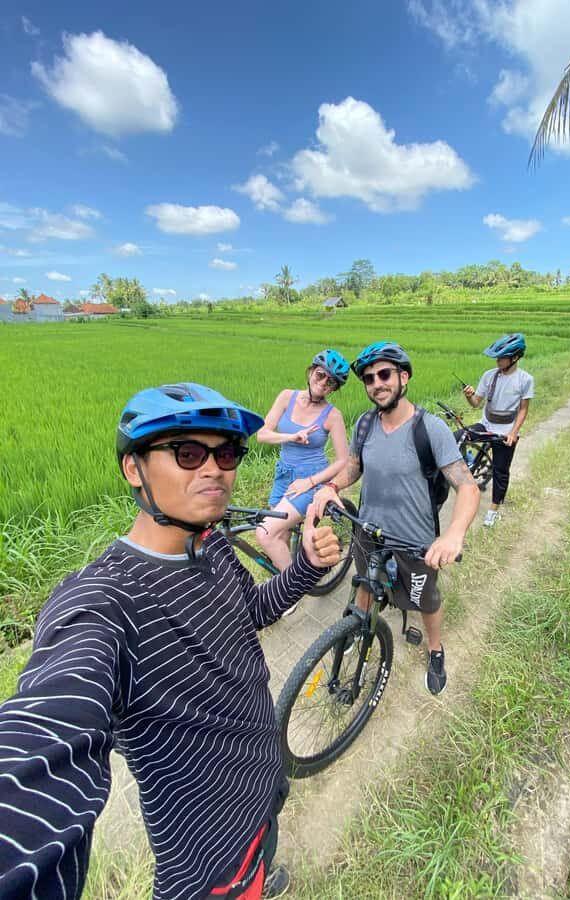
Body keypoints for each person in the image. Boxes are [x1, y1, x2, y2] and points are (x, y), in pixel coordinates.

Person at [0, 383, 340, 900]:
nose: (214, 469)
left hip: (263, 789)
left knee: (264, 853)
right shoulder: (106, 600)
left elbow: (252, 611)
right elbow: (44, 739)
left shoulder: (213, 544)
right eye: (187, 453)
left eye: (225, 453)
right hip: (210, 860)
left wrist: (309, 567)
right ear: (133, 469)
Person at [313, 342, 480, 696]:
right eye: (369, 378)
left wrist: (452, 535)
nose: (377, 383)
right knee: (363, 583)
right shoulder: (365, 423)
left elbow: (468, 487)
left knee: (425, 600)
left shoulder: (429, 429)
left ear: (403, 377)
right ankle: (359, 629)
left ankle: (435, 649)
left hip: (414, 542)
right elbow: (355, 468)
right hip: (368, 532)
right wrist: (331, 485)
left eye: (385, 374)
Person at [255, 351, 349, 612]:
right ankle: (283, 579)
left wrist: (310, 482)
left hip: (312, 478)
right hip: (283, 474)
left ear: (335, 388)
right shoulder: (287, 397)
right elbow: (263, 434)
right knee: (279, 534)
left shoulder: (333, 416)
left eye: (331, 382)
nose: (323, 383)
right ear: (310, 372)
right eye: (321, 375)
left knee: (264, 533)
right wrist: (292, 437)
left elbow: (342, 461)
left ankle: (290, 589)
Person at [461, 333, 534, 527]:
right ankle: (468, 466)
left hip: (506, 430)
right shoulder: (489, 376)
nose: (498, 360)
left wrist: (513, 432)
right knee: (458, 437)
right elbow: (476, 403)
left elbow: (524, 409)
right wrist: (469, 395)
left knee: (501, 471)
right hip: (486, 424)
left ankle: (493, 512)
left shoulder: (524, 380)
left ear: (515, 358)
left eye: (501, 357)